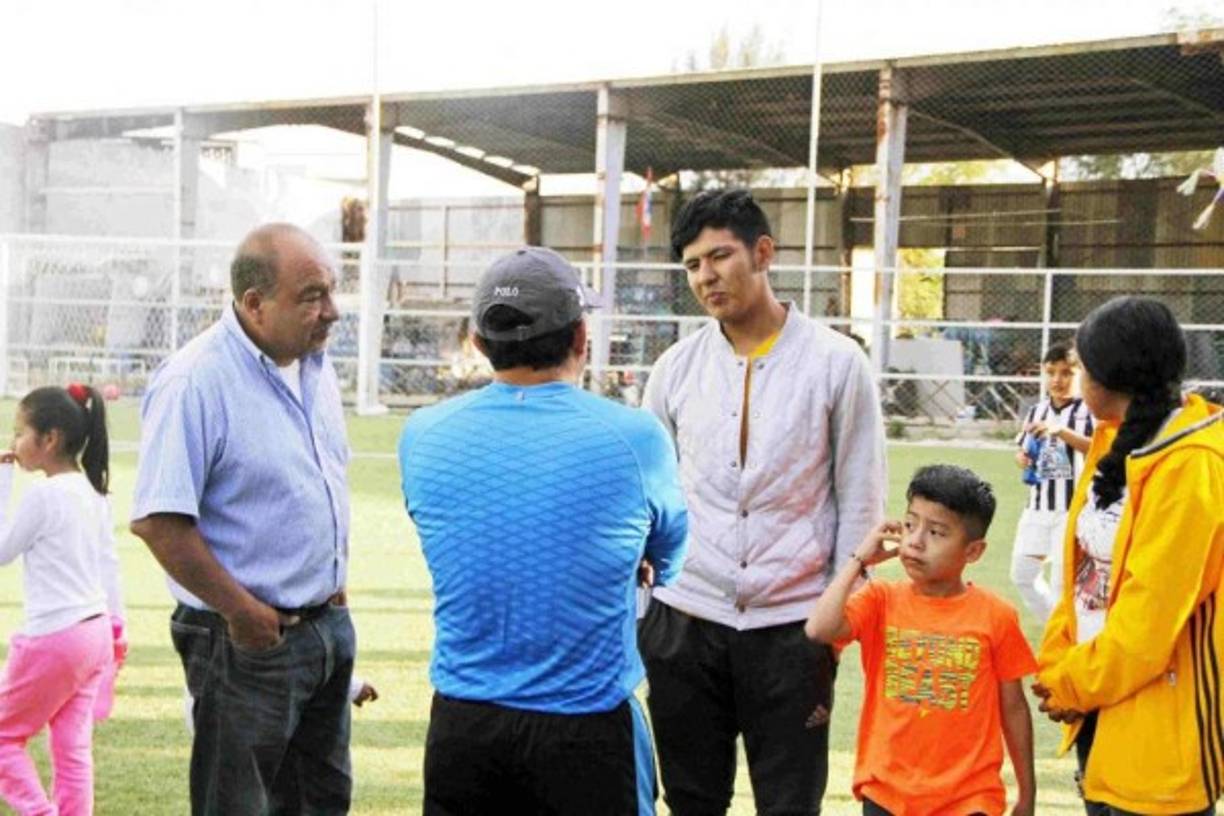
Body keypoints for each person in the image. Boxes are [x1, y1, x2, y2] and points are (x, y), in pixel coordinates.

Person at [398, 246, 688, 815]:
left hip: (463, 726)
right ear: (582, 337)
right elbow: (669, 553)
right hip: (588, 728)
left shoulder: (423, 434)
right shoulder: (636, 438)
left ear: (479, 344)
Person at [639, 188, 887, 815]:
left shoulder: (837, 362)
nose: (706, 276)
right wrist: (647, 611)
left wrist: (834, 625)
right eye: (692, 264)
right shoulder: (674, 368)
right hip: (684, 618)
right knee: (692, 799)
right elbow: (648, 497)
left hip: (794, 625)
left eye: (719, 256)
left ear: (763, 252)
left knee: (790, 803)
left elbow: (860, 495)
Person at [130, 223, 355, 816]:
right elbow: (158, 519)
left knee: (321, 803)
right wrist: (243, 612)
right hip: (247, 641)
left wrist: (330, 579)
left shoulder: (315, 367)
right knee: (238, 806)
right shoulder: (195, 380)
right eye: (312, 296)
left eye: (332, 291)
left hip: (324, 628)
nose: (332, 311)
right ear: (254, 303)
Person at [1034, 296, 1224, 815]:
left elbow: (1147, 625)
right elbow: (1078, 572)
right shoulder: (1112, 438)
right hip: (1096, 703)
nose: (1074, 379)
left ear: (1108, 379)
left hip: (1158, 728)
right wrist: (1058, 664)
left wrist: (1071, 682)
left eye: (1081, 368)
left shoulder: (1193, 465)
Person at [806, 464, 1037, 816]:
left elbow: (1014, 709)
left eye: (937, 532)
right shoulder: (880, 599)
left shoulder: (996, 615)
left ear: (973, 552)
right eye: (911, 524)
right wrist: (858, 561)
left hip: (968, 798)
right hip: (887, 792)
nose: (914, 541)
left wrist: (1027, 792)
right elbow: (819, 629)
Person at [0, 384, 125, 816]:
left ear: (49, 439)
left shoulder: (44, 495)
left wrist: (2, 480)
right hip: (93, 636)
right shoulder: (91, 494)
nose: (14, 442)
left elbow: (1, 551)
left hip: (54, 637)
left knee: (2, 737)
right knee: (72, 748)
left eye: (20, 432)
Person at [1010, 343, 1094, 621]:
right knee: (1022, 574)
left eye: (1066, 373)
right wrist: (1022, 457)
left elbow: (1100, 449)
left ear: (1080, 375)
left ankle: (1064, 643)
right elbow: (1023, 449)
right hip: (1037, 505)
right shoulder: (1036, 411)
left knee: (1062, 583)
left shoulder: (1089, 412)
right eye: (1051, 372)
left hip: (1073, 510)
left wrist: (1061, 431)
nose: (1057, 380)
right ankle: (1055, 629)